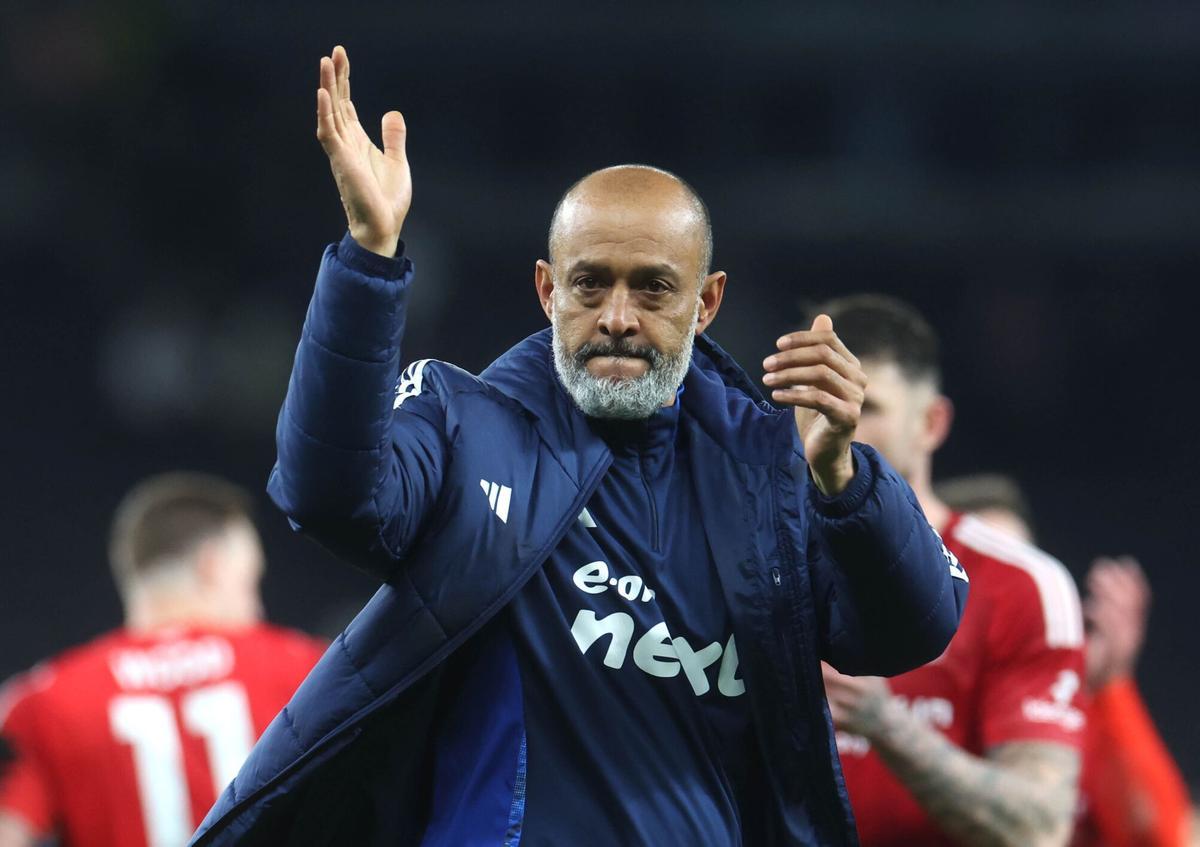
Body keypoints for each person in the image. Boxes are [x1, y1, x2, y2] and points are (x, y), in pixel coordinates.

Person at [189, 46, 968, 846]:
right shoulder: (467, 424)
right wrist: (367, 259)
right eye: (590, 283)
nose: (618, 316)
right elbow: (326, 493)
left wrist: (843, 478)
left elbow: (915, 630)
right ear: (546, 290)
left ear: (707, 302)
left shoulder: (772, 468)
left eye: (653, 287)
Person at [814, 295, 1087, 847]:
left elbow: (1039, 826)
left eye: (866, 408)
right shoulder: (737, 558)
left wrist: (886, 726)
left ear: (931, 424)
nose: (835, 425)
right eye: (814, 403)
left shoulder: (1021, 585)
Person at [0, 473, 326, 847]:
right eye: (251, 583)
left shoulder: (44, 701)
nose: (258, 607)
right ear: (212, 566)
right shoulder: (306, 669)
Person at [936, 475, 1193, 847]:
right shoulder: (890, 689)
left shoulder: (1052, 705)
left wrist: (1109, 689)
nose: (1011, 594)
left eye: (1020, 565)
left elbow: (1157, 837)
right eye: (982, 569)